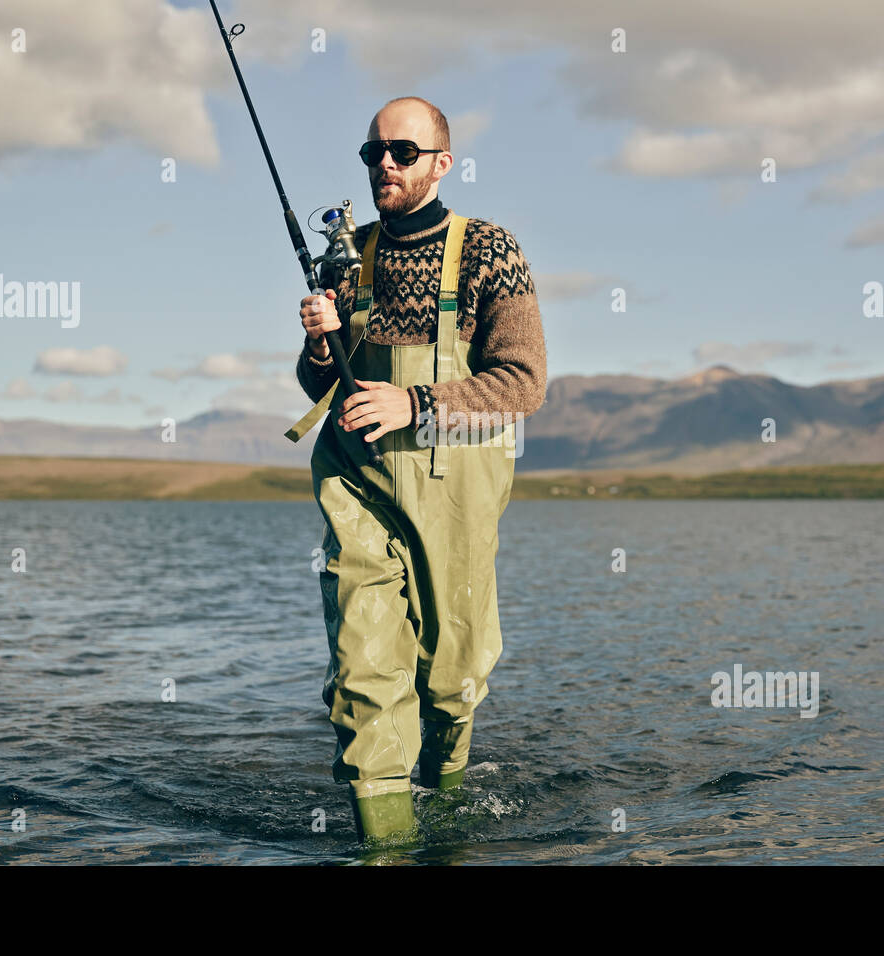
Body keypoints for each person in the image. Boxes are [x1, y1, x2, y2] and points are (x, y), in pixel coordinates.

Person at [286, 96, 548, 842]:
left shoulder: (491, 251)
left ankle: (448, 804)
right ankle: (386, 850)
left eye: (403, 152)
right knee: (364, 678)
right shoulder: (350, 255)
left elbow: (522, 385)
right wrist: (317, 345)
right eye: (374, 155)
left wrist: (416, 403)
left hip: (456, 488)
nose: (386, 166)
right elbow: (322, 387)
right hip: (357, 482)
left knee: (452, 680)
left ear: (442, 163)